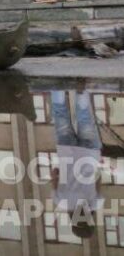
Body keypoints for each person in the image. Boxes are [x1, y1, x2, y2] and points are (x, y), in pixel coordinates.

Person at [50, 90, 102, 239]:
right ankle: (57, 87)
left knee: (85, 118)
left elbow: (98, 178)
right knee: (60, 115)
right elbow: (54, 175)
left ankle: (81, 92)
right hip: (67, 151)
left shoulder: (95, 204)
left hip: (90, 153)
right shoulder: (61, 201)